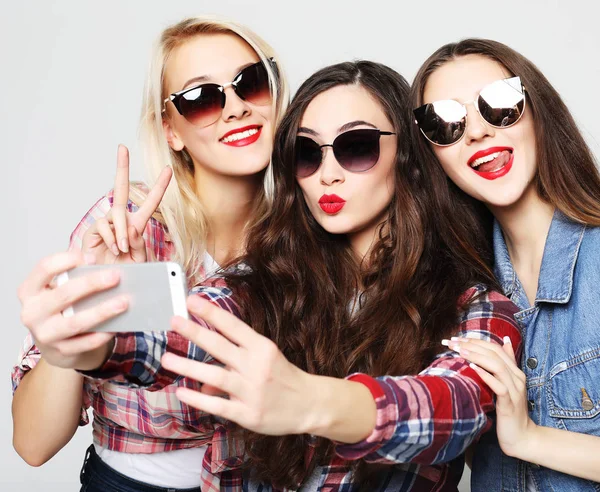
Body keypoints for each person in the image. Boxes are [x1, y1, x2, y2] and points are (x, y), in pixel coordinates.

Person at [53, 60, 522, 491]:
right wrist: (88, 324)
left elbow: (454, 405)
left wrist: (312, 401)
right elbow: (179, 338)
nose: (327, 174)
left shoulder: (475, 307)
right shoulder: (261, 282)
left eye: (355, 147)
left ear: (410, 160)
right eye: (307, 153)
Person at [12, 15, 289, 492]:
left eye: (251, 82)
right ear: (172, 131)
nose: (237, 108)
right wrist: (88, 315)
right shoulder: (124, 226)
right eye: (202, 98)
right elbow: (33, 445)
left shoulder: (307, 241)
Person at [411, 38, 600, 490]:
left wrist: (528, 437)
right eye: (446, 121)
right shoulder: (457, 298)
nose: (477, 132)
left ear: (539, 111)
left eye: (498, 104)